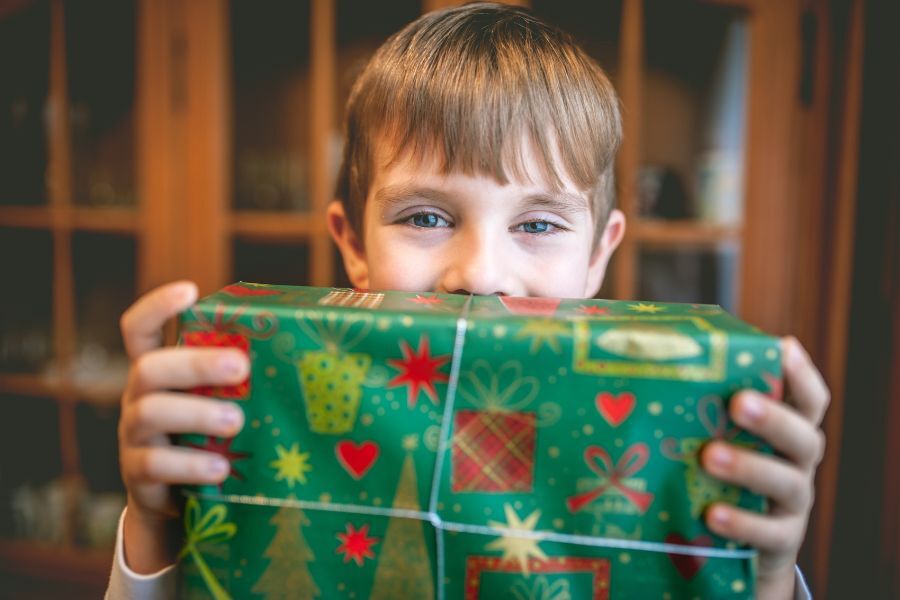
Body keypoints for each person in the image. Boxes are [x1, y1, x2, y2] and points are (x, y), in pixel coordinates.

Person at [107, 4, 828, 599]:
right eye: (425, 217)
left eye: (538, 225)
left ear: (597, 256)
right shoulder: (277, 422)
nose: (481, 276)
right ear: (352, 244)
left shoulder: (652, 452)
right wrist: (154, 528)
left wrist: (761, 578)